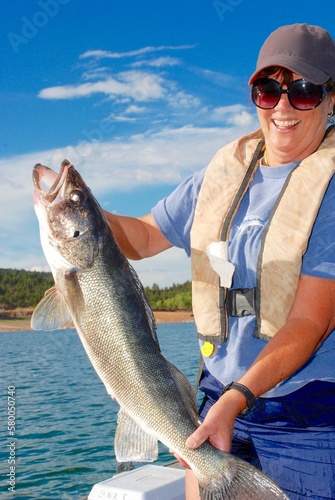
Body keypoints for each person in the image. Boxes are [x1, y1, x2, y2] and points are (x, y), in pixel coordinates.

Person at [105, 24, 335, 499]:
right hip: (215, 401)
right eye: (268, 90)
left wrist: (237, 400)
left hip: (306, 419)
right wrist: (78, 210)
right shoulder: (221, 174)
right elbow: (143, 237)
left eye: (305, 92)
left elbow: (312, 320)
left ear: (331, 100)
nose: (283, 106)